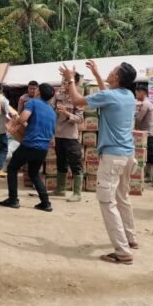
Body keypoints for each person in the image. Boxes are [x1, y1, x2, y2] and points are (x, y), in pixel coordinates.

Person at [60, 60, 138, 265]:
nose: (109, 73)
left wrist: (70, 79)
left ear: (117, 77)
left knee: (107, 201)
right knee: (122, 197)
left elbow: (77, 100)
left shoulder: (111, 96)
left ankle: (122, 252)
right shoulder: (127, 95)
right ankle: (130, 239)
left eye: (112, 71)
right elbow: (107, 98)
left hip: (113, 156)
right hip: (128, 155)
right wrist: (96, 76)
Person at [0, 83, 57, 212]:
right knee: (34, 174)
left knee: (12, 168)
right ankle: (45, 203)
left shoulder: (33, 103)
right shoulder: (52, 111)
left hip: (30, 144)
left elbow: (23, 118)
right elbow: (53, 131)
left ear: (39, 93)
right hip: (43, 147)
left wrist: (16, 121)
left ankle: (13, 199)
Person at [52, 73, 85, 200]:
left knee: (75, 163)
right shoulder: (57, 96)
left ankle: (77, 193)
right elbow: (51, 109)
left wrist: (67, 113)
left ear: (74, 84)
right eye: (63, 81)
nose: (64, 83)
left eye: (67, 81)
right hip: (59, 134)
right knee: (60, 162)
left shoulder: (78, 99)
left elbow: (80, 119)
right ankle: (60, 189)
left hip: (71, 136)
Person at [135, 85, 153, 187]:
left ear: (142, 93)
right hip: (147, 133)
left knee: (151, 155)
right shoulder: (145, 103)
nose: (136, 95)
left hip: (149, 133)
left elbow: (139, 119)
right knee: (148, 155)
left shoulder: (145, 104)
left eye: (137, 93)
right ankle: (148, 175)